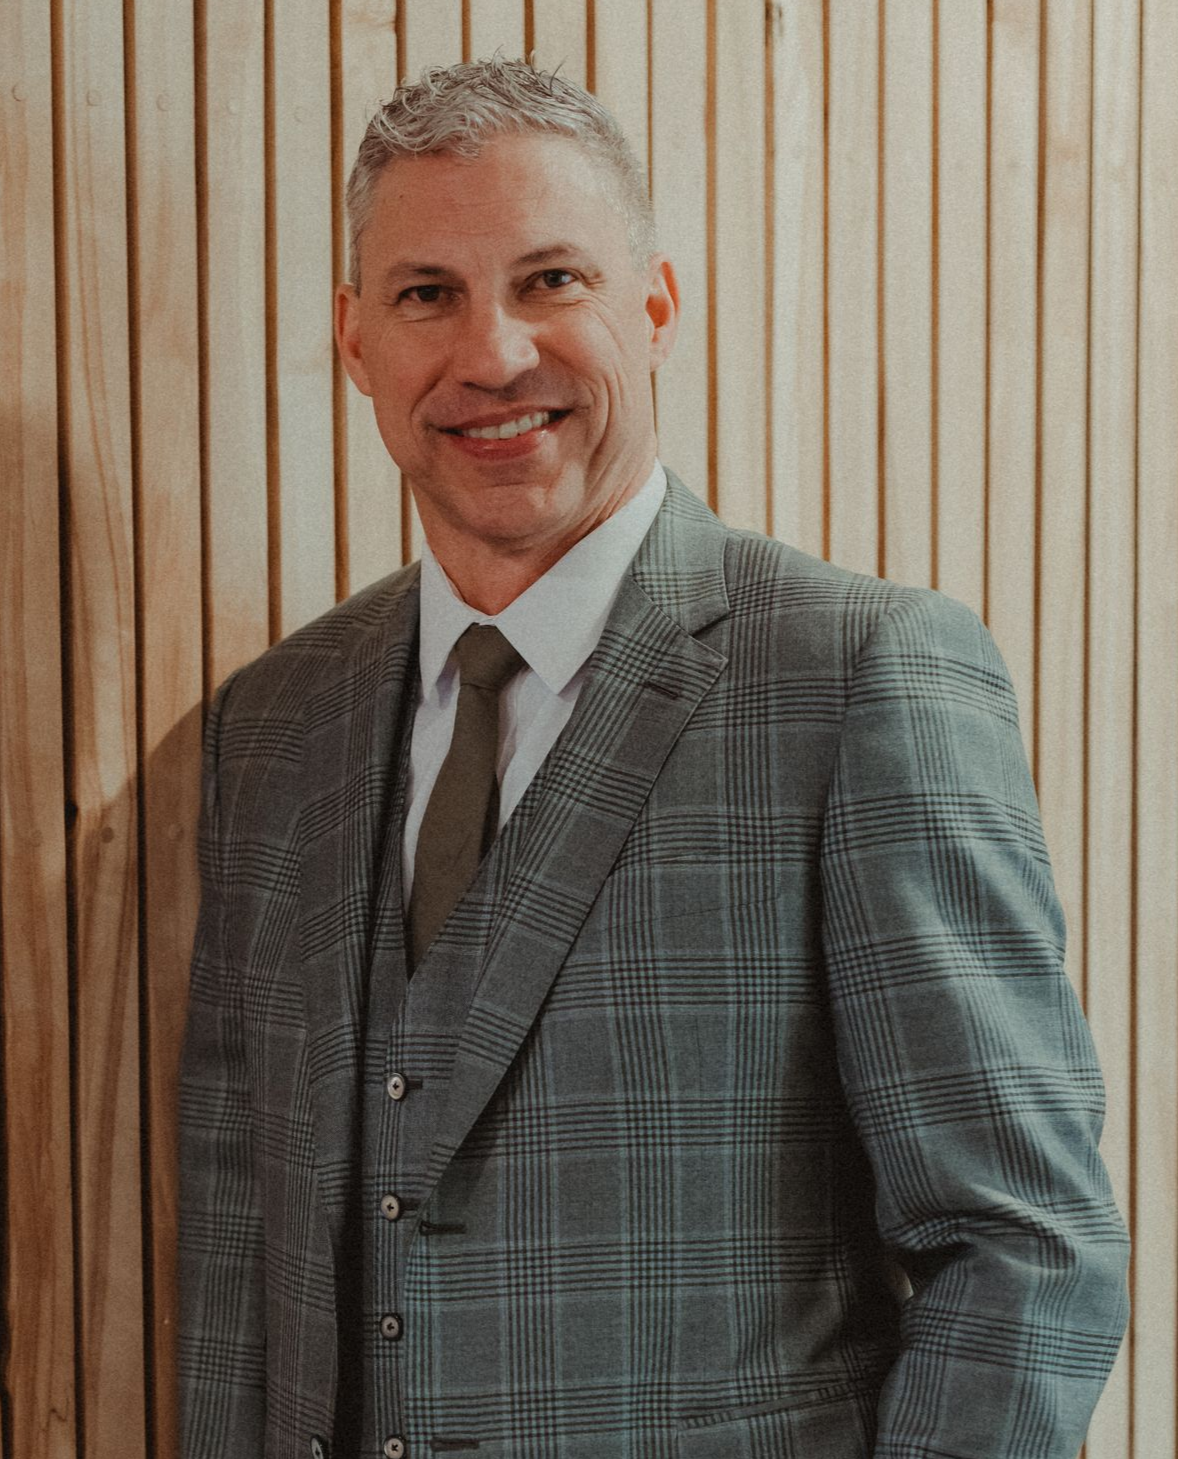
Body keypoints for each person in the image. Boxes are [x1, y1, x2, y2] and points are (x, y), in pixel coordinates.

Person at [179, 57, 1129, 1459]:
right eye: (427, 292)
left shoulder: (858, 675)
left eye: (551, 280)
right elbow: (234, 1246)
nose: (492, 354)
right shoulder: (272, 726)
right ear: (354, 340)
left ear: (655, 306)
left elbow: (1023, 1253)